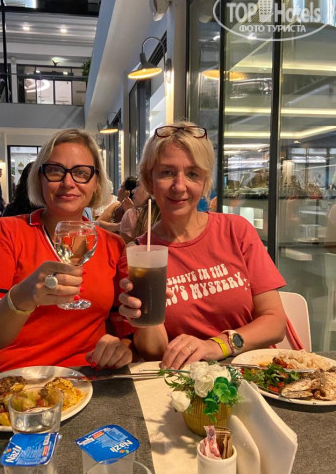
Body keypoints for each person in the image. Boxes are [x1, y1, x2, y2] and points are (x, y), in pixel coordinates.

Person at [0, 128, 134, 375]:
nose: (68, 183)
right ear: (39, 178)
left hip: (86, 379)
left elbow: (124, 330)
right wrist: (22, 297)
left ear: (96, 183)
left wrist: (122, 348)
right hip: (10, 380)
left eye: (81, 173)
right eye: (55, 171)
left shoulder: (113, 245)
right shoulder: (4, 232)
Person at [119, 121, 289, 370]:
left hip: (252, 372)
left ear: (204, 181)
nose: (179, 186)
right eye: (166, 172)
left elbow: (275, 323)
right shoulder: (140, 254)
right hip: (187, 380)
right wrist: (143, 318)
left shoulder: (236, 230)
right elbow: (154, 353)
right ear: (150, 180)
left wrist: (217, 345)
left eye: (192, 174)